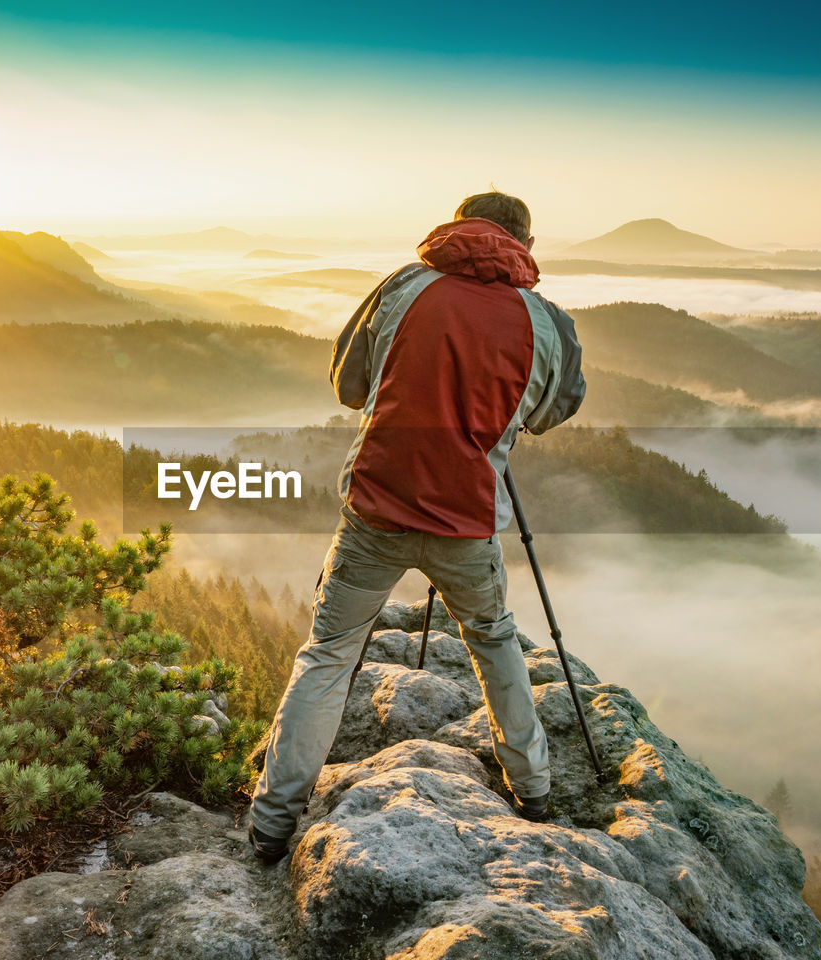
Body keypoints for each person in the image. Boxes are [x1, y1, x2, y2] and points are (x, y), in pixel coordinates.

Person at [247, 190, 586, 863]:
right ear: (526, 244)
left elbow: (348, 382)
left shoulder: (403, 286)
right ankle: (535, 790)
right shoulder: (547, 323)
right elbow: (553, 410)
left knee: (328, 654)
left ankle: (271, 824)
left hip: (376, 504)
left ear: (459, 228)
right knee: (493, 640)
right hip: (468, 519)